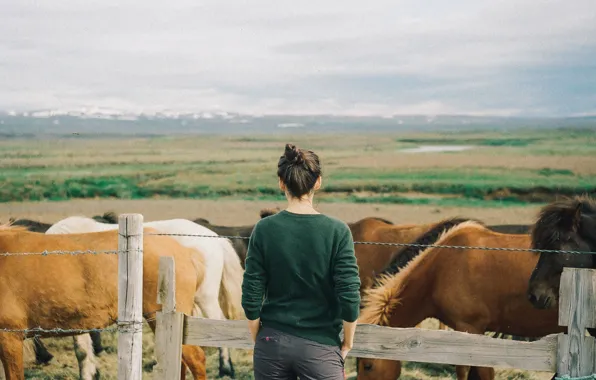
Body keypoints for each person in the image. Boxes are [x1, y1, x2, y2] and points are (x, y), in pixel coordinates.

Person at [241, 143, 361, 380]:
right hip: (321, 347)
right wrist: (348, 342)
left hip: (271, 342)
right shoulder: (337, 231)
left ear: (281, 182)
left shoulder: (264, 229)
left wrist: (260, 339)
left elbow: (251, 292)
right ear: (318, 182)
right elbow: (349, 295)